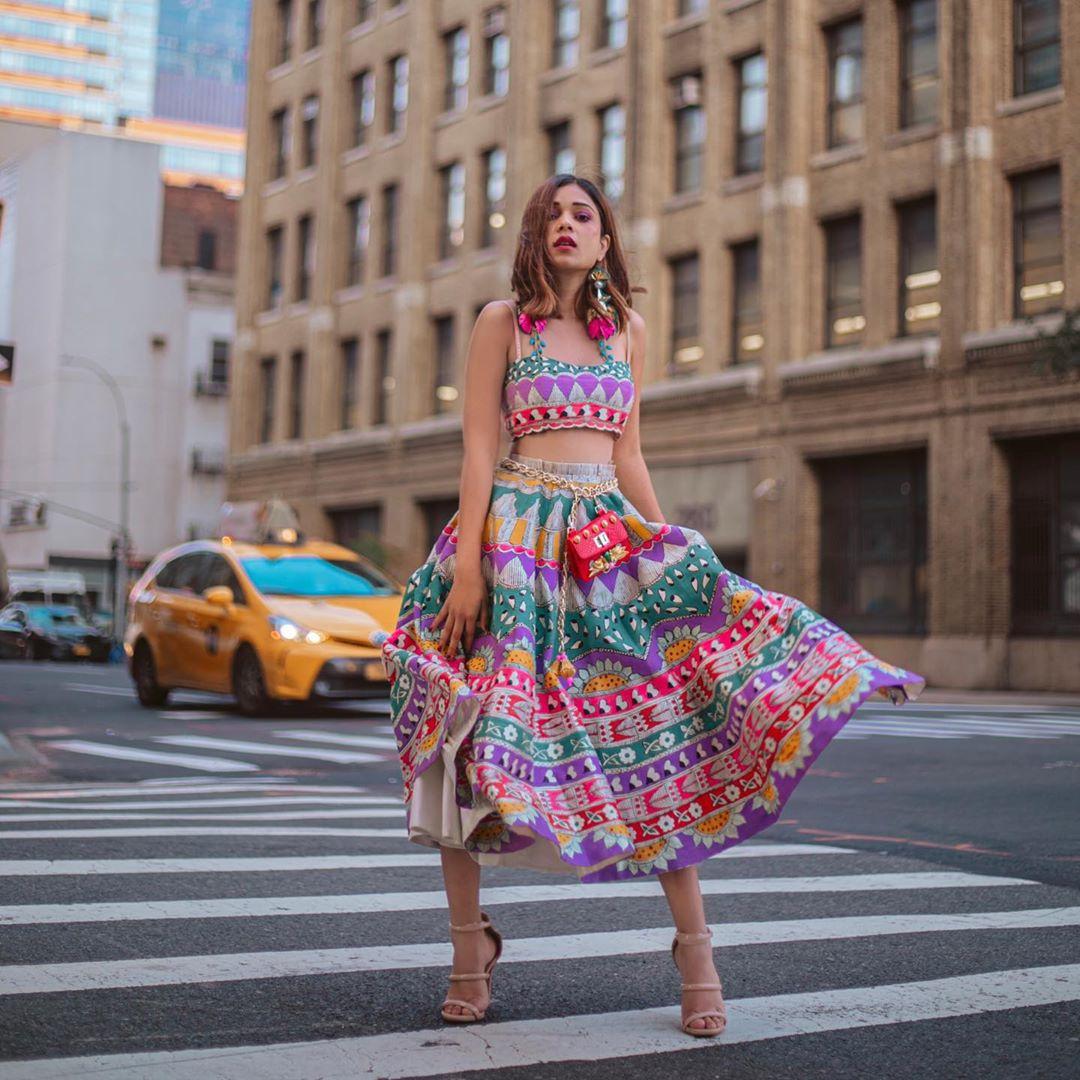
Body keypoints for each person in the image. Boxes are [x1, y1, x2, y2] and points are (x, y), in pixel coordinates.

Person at [378, 173, 924, 1036]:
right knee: (469, 738)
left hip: (602, 542)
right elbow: (480, 446)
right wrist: (471, 568)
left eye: (582, 214)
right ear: (533, 235)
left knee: (664, 729)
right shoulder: (500, 324)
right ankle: (467, 950)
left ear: (605, 239)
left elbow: (629, 452)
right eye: (551, 215)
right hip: (514, 547)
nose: (566, 225)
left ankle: (695, 949)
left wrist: (668, 549)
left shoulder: (626, 331)